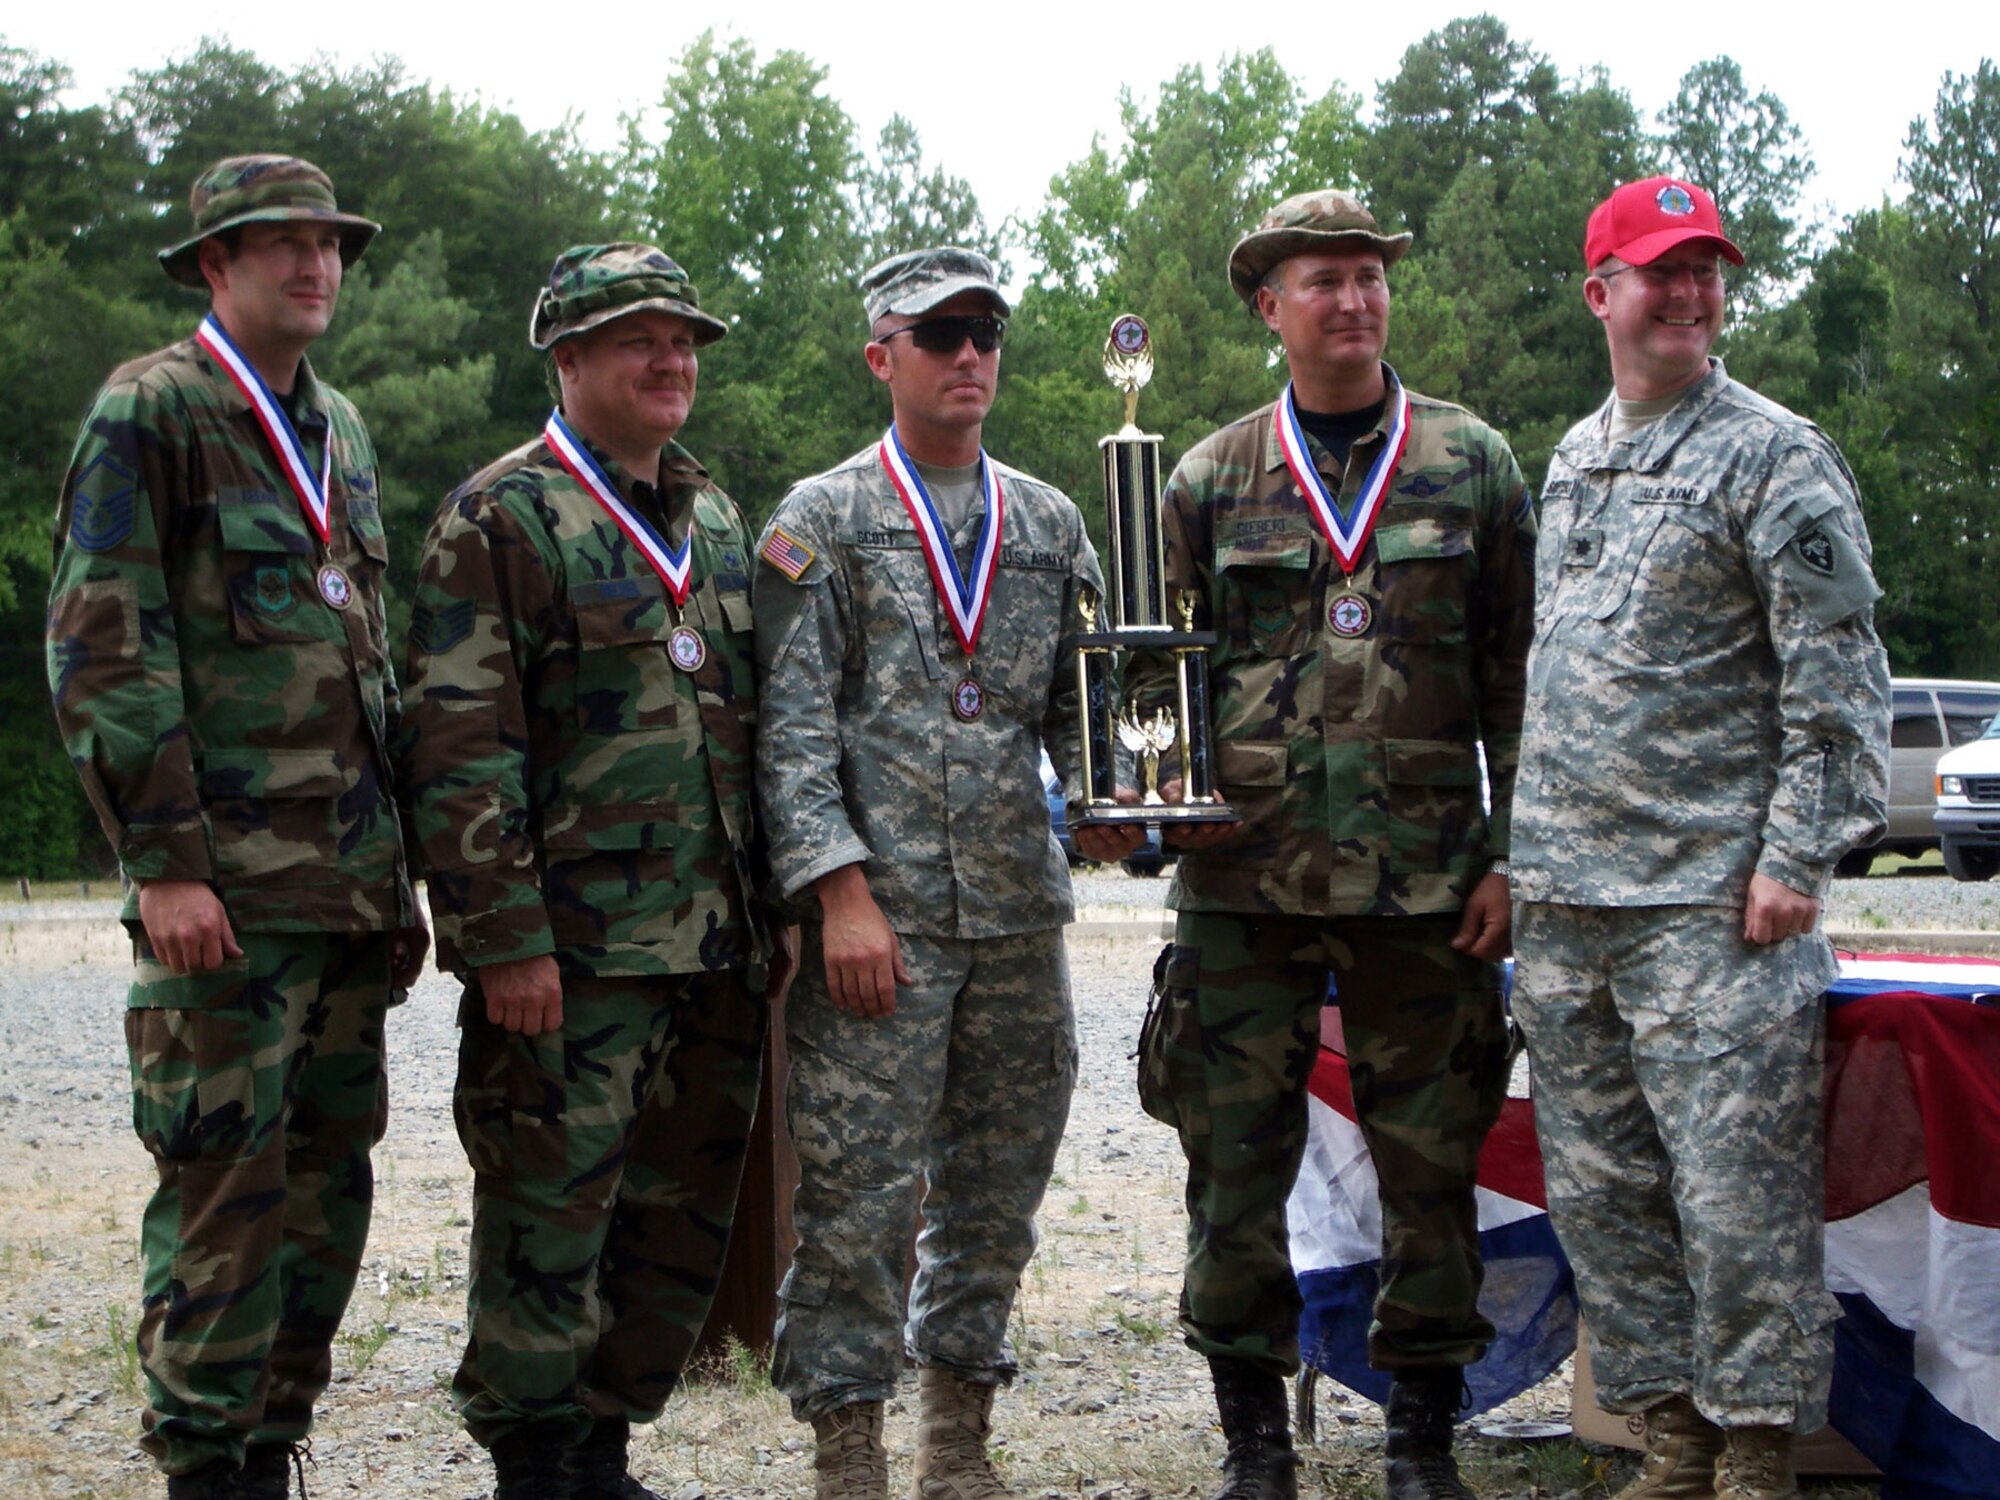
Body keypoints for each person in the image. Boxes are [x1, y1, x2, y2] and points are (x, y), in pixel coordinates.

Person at [1128, 189, 1536, 1500]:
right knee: (1231, 1171)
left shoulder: (1472, 464)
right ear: (1271, 306)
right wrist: (1143, 798)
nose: (1353, 299)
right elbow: (1156, 682)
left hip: (1425, 889)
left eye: (1370, 275)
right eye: (1324, 280)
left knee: (1431, 1168)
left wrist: (1515, 853)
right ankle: (1255, 1448)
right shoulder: (1205, 476)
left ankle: (1423, 1439)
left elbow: (1525, 680)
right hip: (1244, 888)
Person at [44, 154, 426, 1500]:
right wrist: (167, 865)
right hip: (224, 905)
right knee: (225, 1194)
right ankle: (206, 1469)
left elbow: (366, 663)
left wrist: (400, 881)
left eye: (329, 243)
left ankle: (271, 1449)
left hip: (342, 903)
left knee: (327, 1194)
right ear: (216, 263)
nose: (315, 264)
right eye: (283, 245)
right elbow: (103, 647)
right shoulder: (151, 412)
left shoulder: (346, 431)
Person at [1508, 178, 1891, 1500]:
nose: (1688, 294)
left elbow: (1838, 680)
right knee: (1606, 1201)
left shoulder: (1775, 454)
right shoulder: (1572, 460)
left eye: (1706, 270)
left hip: (1711, 909)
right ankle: (1666, 1435)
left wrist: (1797, 857)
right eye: (1661, 269)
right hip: (1571, 913)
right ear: (1600, 290)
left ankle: (1755, 1455)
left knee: (1739, 1212)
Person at [397, 243, 782, 1500]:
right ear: (566, 359)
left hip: (711, 950)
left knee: (672, 1224)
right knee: (547, 1222)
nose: (670, 358)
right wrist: (502, 940)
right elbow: (461, 754)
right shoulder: (498, 518)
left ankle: (603, 1451)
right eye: (638, 339)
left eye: (681, 339)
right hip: (572, 959)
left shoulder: (714, 516)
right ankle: (533, 1464)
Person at [753, 247, 1115, 1500]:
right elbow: (790, 734)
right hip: (885, 923)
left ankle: (955, 1440)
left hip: (1019, 914)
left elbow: (1085, 712)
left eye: (987, 333)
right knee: (856, 1195)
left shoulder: (1053, 523)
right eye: (941, 334)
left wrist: (1122, 807)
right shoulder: (821, 523)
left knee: (995, 1188)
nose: (970, 356)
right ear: (881, 356)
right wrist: (837, 896)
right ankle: (846, 1451)